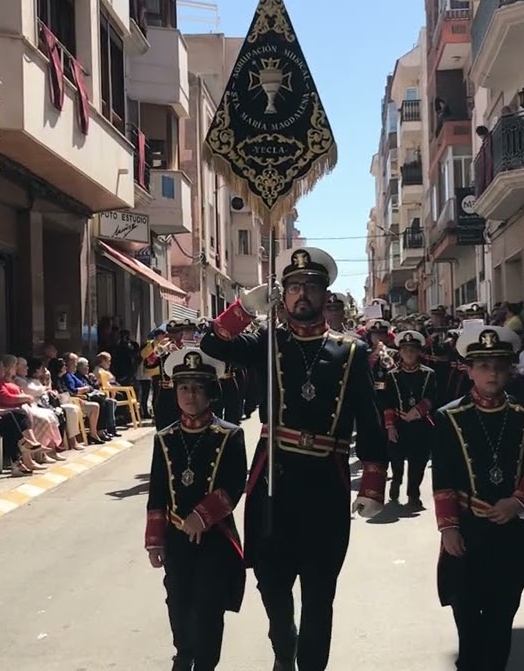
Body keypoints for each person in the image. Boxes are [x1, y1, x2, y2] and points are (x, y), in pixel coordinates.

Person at [200, 246, 386, 671]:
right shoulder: (267, 342)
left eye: (312, 287)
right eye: (294, 287)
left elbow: (369, 421)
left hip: (327, 481)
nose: (302, 294)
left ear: (325, 295)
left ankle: (312, 664)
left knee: (321, 592)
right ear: (282, 297)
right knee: (271, 583)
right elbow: (213, 341)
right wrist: (245, 307)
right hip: (274, 483)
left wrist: (373, 481)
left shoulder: (352, 352)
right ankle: (284, 647)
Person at [432, 325, 524, 671]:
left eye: (500, 365)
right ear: (469, 370)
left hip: (510, 534)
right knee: (468, 622)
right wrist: (449, 527)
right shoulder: (449, 418)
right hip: (468, 532)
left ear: (511, 368)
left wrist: (517, 501)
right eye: (483, 365)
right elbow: (443, 478)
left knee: (501, 620)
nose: (492, 373)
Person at [144, 349, 248, 671]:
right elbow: (157, 491)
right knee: (177, 601)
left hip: (214, 538)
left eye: (197, 388)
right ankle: (183, 652)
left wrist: (201, 516)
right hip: (176, 539)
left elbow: (234, 485)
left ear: (210, 393)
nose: (190, 395)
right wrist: (155, 541)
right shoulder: (165, 438)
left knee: (208, 606)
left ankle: (204, 662)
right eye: (183, 388)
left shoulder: (230, 434)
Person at [380, 330, 440, 509]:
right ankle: (396, 482)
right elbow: (385, 400)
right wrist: (390, 427)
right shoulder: (391, 374)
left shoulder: (429, 373)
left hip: (420, 424)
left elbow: (434, 396)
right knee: (397, 460)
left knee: (418, 461)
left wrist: (420, 409)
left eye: (412, 350)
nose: (409, 354)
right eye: (405, 350)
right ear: (400, 352)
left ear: (418, 352)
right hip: (398, 423)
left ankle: (414, 493)